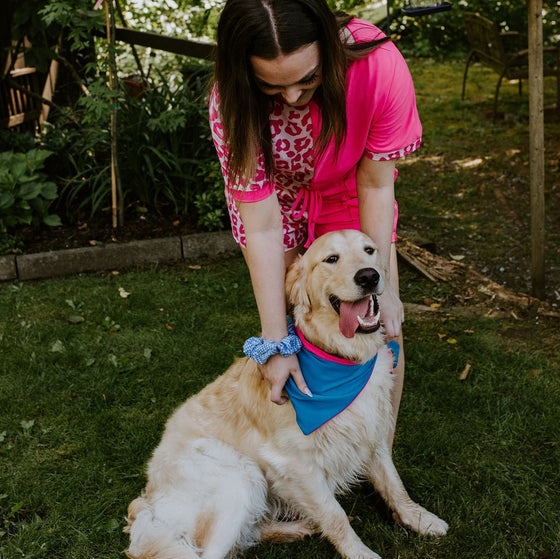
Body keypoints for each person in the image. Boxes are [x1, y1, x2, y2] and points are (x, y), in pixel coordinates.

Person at [209, 0, 421, 449]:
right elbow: (264, 226)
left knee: (380, 325)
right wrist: (275, 342)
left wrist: (388, 290)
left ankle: (377, 454)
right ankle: (315, 448)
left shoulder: (380, 66)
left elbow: (377, 186)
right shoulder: (228, 100)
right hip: (275, 202)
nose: (291, 98)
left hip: (348, 186)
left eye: (308, 78)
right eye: (271, 87)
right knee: (300, 325)